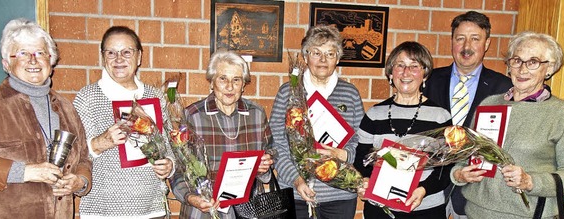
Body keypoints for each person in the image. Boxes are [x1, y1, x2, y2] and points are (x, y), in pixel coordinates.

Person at [0, 18, 92, 218]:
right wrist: (25, 172)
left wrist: (79, 181)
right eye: (23, 53)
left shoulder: (66, 108)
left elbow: (84, 158)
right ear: (6, 64)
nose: (33, 60)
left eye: (40, 53)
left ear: (51, 61)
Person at [451, 31, 564, 218]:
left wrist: (531, 182)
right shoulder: (489, 104)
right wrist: (459, 174)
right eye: (517, 60)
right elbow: (464, 157)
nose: (522, 69)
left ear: (550, 68)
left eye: (533, 62)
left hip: (529, 215)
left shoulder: (561, 113)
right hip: (476, 213)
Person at [73, 26, 175, 219]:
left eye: (126, 52)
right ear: (103, 57)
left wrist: (169, 164)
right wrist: (98, 144)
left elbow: (169, 146)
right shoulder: (87, 98)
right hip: (104, 212)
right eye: (111, 53)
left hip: (152, 209)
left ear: (139, 57)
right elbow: (74, 156)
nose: (119, 59)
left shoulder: (155, 97)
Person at [423, 11, 513, 218]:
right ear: (452, 41)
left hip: (478, 190)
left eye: (475, 39)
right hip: (431, 188)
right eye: (460, 38)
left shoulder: (504, 88)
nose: (466, 47)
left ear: (487, 43)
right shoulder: (429, 81)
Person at [270, 25, 364, 219]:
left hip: (340, 196)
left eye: (330, 54)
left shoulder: (350, 93)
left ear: (337, 59)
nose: (323, 60)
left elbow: (359, 142)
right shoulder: (288, 92)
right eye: (316, 53)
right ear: (305, 57)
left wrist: (344, 154)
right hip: (296, 192)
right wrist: (297, 181)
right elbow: (276, 143)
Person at [354, 41, 452, 219]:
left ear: (424, 74)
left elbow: (446, 166)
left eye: (414, 66)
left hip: (425, 209)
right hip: (380, 209)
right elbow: (361, 158)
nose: (406, 73)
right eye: (400, 65)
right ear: (391, 73)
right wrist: (365, 181)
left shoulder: (440, 116)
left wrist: (423, 190)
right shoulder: (374, 114)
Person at [171, 50, 274, 218]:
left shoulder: (257, 114)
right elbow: (177, 167)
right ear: (212, 82)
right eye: (223, 79)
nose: (229, 87)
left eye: (236, 80)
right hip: (203, 210)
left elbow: (270, 150)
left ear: (243, 85)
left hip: (247, 210)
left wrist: (264, 165)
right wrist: (191, 197)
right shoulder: (192, 115)